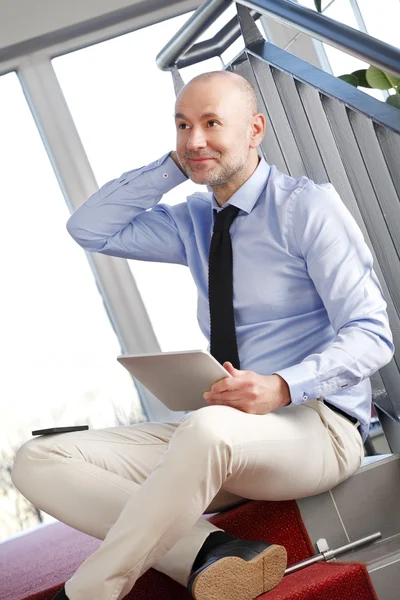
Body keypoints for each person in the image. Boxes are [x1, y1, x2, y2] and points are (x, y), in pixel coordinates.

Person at [11, 70, 394, 600]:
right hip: (222, 437)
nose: (194, 139)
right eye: (182, 126)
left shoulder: (306, 208)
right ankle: (209, 553)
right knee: (40, 461)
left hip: (318, 428)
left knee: (207, 429)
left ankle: (89, 592)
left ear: (254, 129)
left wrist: (282, 386)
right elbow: (90, 228)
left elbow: (373, 335)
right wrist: (182, 165)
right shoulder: (193, 220)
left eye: (213, 123)